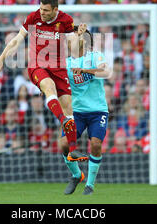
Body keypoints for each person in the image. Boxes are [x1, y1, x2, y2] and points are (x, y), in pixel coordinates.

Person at [0, 0, 88, 163]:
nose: (41, 12)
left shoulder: (66, 20)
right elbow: (16, 40)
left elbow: (76, 51)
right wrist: (1, 59)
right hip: (37, 65)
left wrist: (79, 37)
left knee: (69, 108)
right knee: (49, 86)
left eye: (46, 10)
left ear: (55, 10)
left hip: (59, 68)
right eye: (41, 8)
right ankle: (62, 120)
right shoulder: (33, 17)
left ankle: (72, 150)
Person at [59, 28, 111, 196]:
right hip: (76, 112)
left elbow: (107, 73)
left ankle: (89, 185)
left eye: (73, 37)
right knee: (64, 144)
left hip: (98, 110)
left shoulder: (96, 57)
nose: (69, 40)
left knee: (96, 144)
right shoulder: (65, 62)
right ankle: (76, 175)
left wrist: (86, 71)